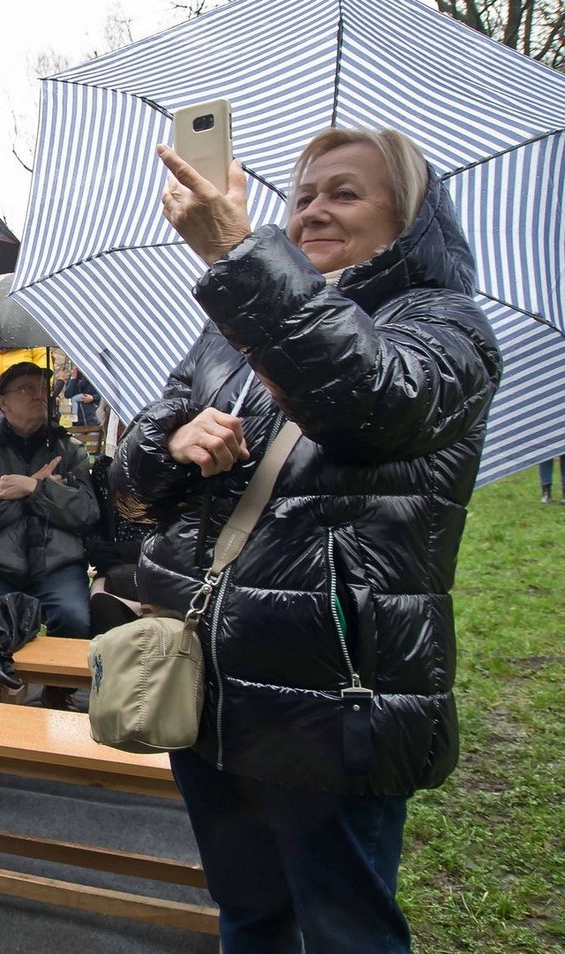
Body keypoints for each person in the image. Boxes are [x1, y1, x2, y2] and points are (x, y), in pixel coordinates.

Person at [113, 128, 501, 951]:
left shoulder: (444, 326)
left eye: (345, 193)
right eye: (304, 196)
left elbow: (367, 399)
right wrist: (170, 442)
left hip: (332, 695)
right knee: (249, 916)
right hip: (210, 684)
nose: (314, 210)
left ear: (409, 218)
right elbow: (129, 492)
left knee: (344, 931)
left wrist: (237, 253)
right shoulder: (230, 330)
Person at [0, 362, 99, 709]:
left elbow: (87, 513)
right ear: (3, 402)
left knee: (74, 616)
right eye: (26, 388)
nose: (38, 395)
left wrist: (31, 488)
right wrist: (43, 491)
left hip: (57, 565)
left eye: (42, 388)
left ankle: (59, 689)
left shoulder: (69, 450)